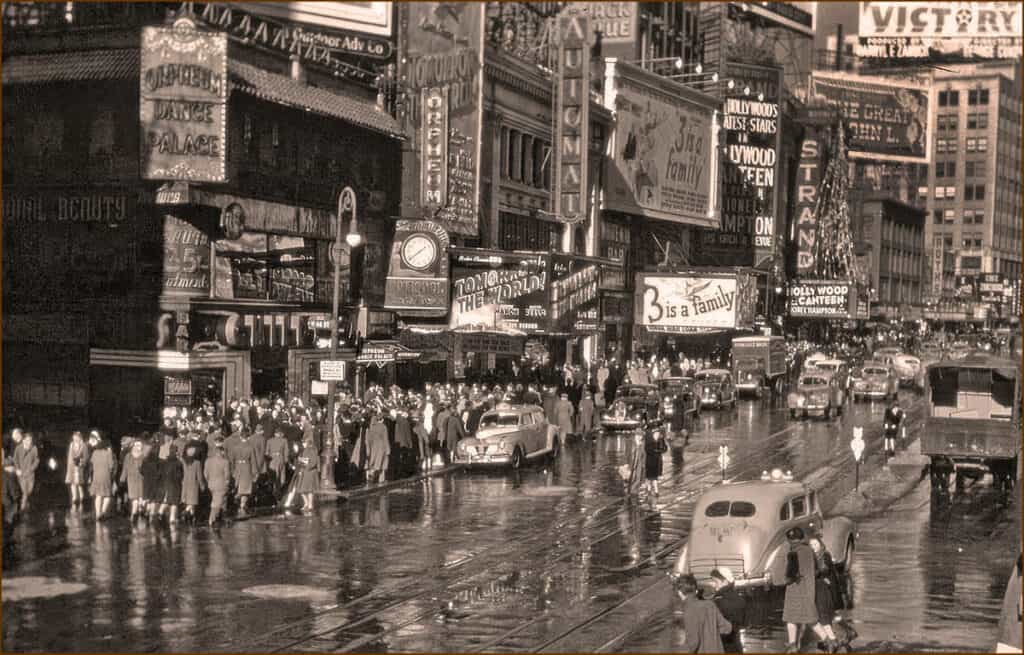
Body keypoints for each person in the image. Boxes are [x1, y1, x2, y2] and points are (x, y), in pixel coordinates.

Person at [782, 527, 836, 653]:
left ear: (790, 540)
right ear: (801, 538)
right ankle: (829, 642)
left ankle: (792, 646)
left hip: (795, 592)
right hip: (809, 590)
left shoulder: (793, 553)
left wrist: (783, 580)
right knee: (812, 620)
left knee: (791, 619)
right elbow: (816, 569)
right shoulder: (809, 551)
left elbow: (790, 576)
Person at [674, 573, 733, 653]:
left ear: (679, 592)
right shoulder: (710, 605)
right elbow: (727, 628)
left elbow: (692, 643)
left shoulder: (689, 610)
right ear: (696, 591)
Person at [808, 536, 844, 651]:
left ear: (820, 544)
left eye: (815, 544)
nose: (813, 547)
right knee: (827, 615)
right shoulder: (814, 556)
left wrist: (812, 573)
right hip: (822, 588)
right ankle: (834, 639)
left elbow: (824, 569)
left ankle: (832, 642)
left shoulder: (824, 555)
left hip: (824, 590)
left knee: (823, 616)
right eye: (811, 545)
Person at [707, 567, 746, 653]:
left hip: (722, 647)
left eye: (715, 581)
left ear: (725, 581)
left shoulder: (718, 601)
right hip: (736, 646)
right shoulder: (739, 599)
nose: (713, 584)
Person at [88, 433, 117, 520]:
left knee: (98, 496)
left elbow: (92, 465)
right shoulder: (108, 453)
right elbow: (111, 466)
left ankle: (97, 514)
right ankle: (103, 512)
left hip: (96, 477)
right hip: (106, 476)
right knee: (107, 496)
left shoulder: (94, 452)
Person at [204, 442, 231, 527]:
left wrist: (208, 481)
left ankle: (219, 516)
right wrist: (227, 483)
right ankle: (211, 520)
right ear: (221, 452)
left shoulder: (208, 461)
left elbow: (205, 473)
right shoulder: (225, 462)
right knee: (217, 502)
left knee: (218, 500)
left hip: (211, 484)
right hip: (221, 484)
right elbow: (227, 475)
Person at [120, 439, 147, 522]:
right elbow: (125, 468)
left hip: (137, 479)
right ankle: (137, 511)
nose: (137, 447)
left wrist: (122, 479)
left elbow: (125, 468)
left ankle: (136, 512)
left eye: (139, 445)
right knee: (138, 497)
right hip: (136, 479)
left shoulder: (142, 456)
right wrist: (122, 478)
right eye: (136, 445)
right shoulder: (132, 456)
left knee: (138, 497)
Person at [13, 431, 39, 512]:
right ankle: (22, 508)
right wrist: (17, 469)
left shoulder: (34, 448)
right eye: (27, 440)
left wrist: (32, 468)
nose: (29, 441)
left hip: (30, 474)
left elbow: (37, 460)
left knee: (29, 490)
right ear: (23, 440)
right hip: (21, 474)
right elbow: (15, 459)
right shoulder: (18, 448)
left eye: (30, 440)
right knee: (24, 491)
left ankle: (25, 500)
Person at [181, 444, 206, 524]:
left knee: (189, 503)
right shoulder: (197, 463)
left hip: (185, 484)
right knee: (192, 504)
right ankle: (185, 513)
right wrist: (202, 486)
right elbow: (199, 476)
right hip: (193, 486)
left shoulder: (183, 461)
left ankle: (191, 518)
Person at [294, 435, 319, 512]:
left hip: (309, 472)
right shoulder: (305, 450)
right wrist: (300, 461)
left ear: (307, 443)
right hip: (304, 472)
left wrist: (304, 463)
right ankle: (307, 503)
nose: (303, 444)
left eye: (304, 443)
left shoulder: (312, 450)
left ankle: (309, 504)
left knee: (309, 490)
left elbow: (314, 462)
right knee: (302, 489)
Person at [66, 430, 90, 507]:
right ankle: (74, 497)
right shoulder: (71, 445)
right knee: (72, 482)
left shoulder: (83, 445)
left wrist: (81, 462)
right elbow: (69, 456)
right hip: (72, 467)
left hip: (79, 466)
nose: (75, 438)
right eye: (74, 437)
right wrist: (69, 466)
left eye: (77, 437)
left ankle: (82, 496)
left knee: (79, 483)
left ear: (79, 437)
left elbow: (86, 457)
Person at [365, 412, 391, 484]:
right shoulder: (383, 427)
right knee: (382, 462)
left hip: (373, 446)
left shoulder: (371, 427)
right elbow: (385, 438)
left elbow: (368, 439)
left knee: (374, 461)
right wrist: (388, 449)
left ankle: (370, 474)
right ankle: (381, 479)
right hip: (382, 446)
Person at [644, 427, 668, 498]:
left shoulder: (660, 441)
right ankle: (651, 490)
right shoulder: (649, 442)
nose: (657, 435)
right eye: (655, 434)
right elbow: (648, 450)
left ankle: (654, 491)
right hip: (650, 462)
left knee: (654, 478)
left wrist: (661, 450)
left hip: (657, 462)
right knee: (650, 478)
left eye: (658, 434)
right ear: (653, 434)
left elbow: (665, 448)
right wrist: (657, 451)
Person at [624, 428, 646, 498]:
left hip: (639, 462)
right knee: (631, 477)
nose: (639, 437)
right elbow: (627, 453)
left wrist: (644, 464)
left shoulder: (642, 443)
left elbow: (644, 454)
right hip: (632, 462)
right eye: (638, 435)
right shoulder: (630, 442)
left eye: (641, 435)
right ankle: (629, 491)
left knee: (638, 478)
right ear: (635, 435)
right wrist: (626, 463)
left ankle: (633, 491)